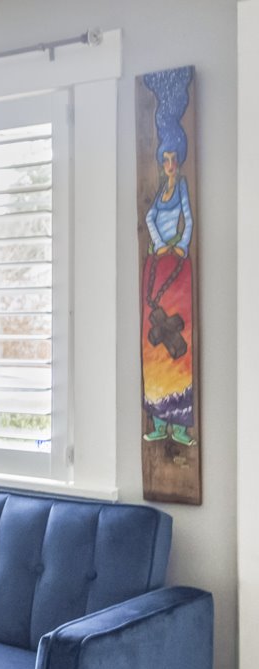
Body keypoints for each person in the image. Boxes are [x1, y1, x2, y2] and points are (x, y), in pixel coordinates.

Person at [141, 145, 195, 446]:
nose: (170, 165)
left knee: (179, 346)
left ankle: (182, 424)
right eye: (166, 160)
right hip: (157, 262)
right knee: (155, 348)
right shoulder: (161, 188)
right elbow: (149, 219)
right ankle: (159, 420)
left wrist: (179, 246)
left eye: (174, 160)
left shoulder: (182, 187)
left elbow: (188, 219)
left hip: (176, 265)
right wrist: (159, 244)